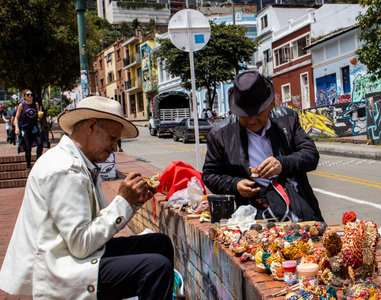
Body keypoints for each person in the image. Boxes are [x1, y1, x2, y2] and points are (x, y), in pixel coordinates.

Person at [0, 96, 174, 300]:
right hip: (61, 268)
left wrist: (133, 202)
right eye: (112, 139)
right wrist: (123, 202)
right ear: (91, 127)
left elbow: (92, 228)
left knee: (159, 244)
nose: (115, 149)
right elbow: (82, 244)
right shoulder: (65, 169)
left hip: (76, 255)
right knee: (155, 268)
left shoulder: (80, 162)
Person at [202, 70, 323, 222]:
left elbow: (311, 155)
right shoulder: (220, 134)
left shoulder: (288, 120)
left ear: (271, 103)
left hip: (299, 207)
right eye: (245, 114)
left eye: (258, 112)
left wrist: (282, 163)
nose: (252, 120)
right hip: (254, 214)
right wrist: (235, 184)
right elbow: (210, 175)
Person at [14, 89, 44, 170]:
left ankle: (38, 162)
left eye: (31, 94)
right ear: (24, 96)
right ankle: (28, 165)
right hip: (25, 129)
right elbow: (16, 118)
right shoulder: (22, 105)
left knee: (40, 143)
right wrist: (16, 127)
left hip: (34, 128)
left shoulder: (36, 104)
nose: (30, 96)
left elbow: (37, 115)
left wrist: (40, 115)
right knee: (28, 148)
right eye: (28, 95)